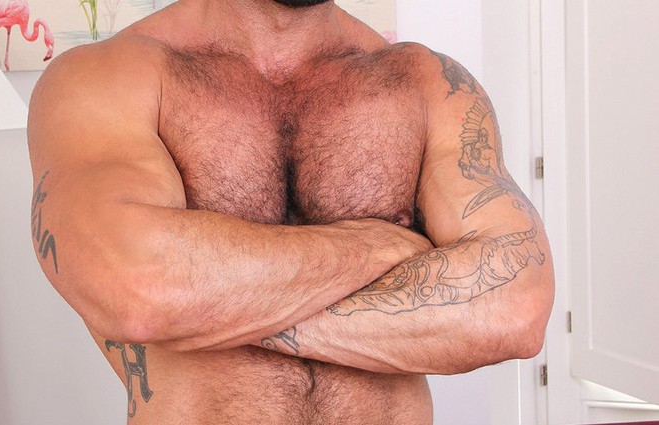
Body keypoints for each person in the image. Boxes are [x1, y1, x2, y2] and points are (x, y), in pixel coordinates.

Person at [27, 0, 555, 423]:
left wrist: (210, 306)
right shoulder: (107, 76)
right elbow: (138, 287)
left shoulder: (425, 82)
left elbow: (515, 307)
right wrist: (377, 246)